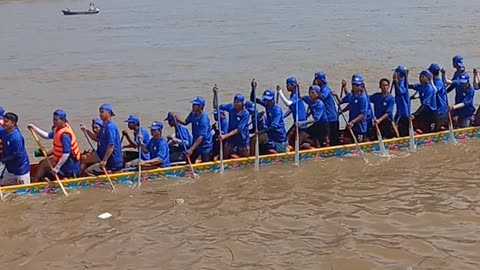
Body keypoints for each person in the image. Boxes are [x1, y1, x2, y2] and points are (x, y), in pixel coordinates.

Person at [28, 110, 81, 182]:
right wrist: (34, 128)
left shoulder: (65, 135)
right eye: (53, 119)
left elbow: (66, 154)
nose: (54, 122)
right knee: (42, 163)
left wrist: (57, 168)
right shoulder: (57, 129)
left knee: (44, 165)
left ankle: (36, 181)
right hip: (59, 158)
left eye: (56, 120)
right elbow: (47, 136)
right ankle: (36, 180)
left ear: (63, 120)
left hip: (69, 163)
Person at [81, 104, 123, 176]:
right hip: (102, 157)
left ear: (109, 113)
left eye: (102, 112)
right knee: (84, 158)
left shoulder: (110, 127)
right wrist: (86, 130)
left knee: (88, 171)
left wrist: (104, 160)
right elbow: (97, 139)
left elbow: (111, 146)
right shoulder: (104, 126)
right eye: (100, 112)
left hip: (112, 161)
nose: (100, 114)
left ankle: (96, 185)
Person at [250, 82, 287, 154]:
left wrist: (260, 132)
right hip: (271, 136)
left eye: (268, 100)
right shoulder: (267, 105)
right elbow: (253, 99)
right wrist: (253, 88)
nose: (266, 101)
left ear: (273, 100)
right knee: (252, 139)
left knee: (255, 139)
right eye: (265, 99)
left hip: (279, 141)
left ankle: (252, 160)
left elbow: (273, 127)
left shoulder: (277, 110)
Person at [174, 96, 213, 163]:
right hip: (196, 143)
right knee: (189, 159)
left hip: (205, 145)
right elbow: (185, 122)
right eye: (193, 104)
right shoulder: (193, 113)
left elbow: (201, 137)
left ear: (201, 107)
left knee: (205, 164)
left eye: (195, 105)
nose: (193, 106)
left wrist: (191, 149)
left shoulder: (204, 120)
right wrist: (177, 118)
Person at [213, 89, 250, 158]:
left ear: (242, 103)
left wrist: (225, 136)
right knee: (225, 154)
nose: (235, 104)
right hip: (231, 138)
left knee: (245, 158)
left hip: (242, 139)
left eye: (237, 102)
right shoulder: (231, 107)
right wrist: (215, 94)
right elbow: (216, 106)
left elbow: (239, 130)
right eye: (234, 102)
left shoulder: (246, 114)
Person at [276, 77, 308, 148]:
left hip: (300, 122)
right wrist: (282, 117)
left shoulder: (295, 95)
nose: (286, 86)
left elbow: (287, 103)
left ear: (293, 86)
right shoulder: (292, 95)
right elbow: (290, 109)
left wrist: (280, 92)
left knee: (289, 137)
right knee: (289, 137)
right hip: (296, 122)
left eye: (288, 85)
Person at [0, 113, 30, 186]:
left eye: (6, 122)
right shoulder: (3, 132)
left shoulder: (16, 138)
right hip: (10, 169)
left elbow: (17, 155)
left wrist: (2, 160)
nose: (4, 123)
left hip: (21, 169)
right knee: (2, 184)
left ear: (13, 123)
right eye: (4, 121)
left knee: (23, 193)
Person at [313, 72, 339, 145]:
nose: (315, 81)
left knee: (332, 141)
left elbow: (322, 97)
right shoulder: (319, 90)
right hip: (325, 119)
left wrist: (314, 89)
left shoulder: (326, 89)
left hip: (331, 118)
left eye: (317, 79)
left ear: (321, 80)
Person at [344, 74, 369, 143]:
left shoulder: (363, 98)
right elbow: (350, 105)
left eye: (357, 85)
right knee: (344, 139)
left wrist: (353, 122)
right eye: (353, 85)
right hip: (351, 125)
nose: (354, 87)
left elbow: (363, 114)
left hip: (360, 127)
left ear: (361, 86)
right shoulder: (352, 96)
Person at [392, 66, 411, 136]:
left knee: (394, 125)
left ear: (398, 74)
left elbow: (400, 91)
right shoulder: (403, 80)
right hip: (401, 110)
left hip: (402, 113)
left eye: (395, 72)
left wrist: (395, 82)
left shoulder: (401, 83)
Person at [429, 64, 448, 130]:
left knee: (437, 128)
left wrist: (431, 80)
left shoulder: (438, 82)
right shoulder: (433, 82)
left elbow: (435, 90)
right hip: (435, 109)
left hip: (441, 108)